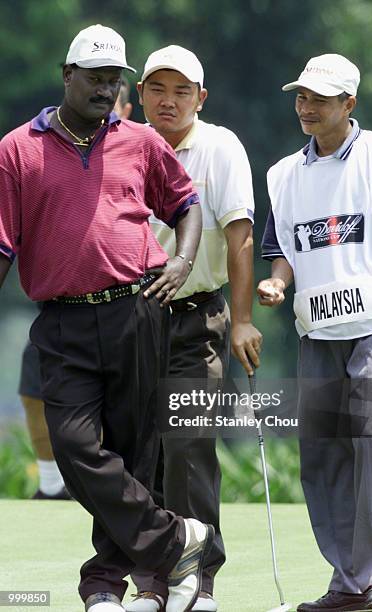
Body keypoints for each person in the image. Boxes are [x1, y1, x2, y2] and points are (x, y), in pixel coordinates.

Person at [0, 24, 215, 612]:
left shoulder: (141, 141)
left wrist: (183, 259)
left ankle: (102, 586)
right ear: (67, 76)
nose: (104, 88)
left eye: (113, 79)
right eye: (94, 77)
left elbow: (186, 204)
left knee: (133, 453)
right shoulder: (18, 148)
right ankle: (180, 540)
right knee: (74, 448)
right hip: (63, 320)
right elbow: (2, 243)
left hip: (137, 309)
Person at [258, 53, 372, 612]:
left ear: (350, 103)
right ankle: (348, 582)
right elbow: (285, 252)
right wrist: (275, 285)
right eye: (301, 96)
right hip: (317, 331)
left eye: (320, 98)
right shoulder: (282, 174)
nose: (306, 107)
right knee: (322, 454)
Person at [126, 45, 262, 612]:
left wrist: (243, 319)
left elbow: (239, 235)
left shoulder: (219, 146)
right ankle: (151, 582)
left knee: (188, 446)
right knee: (142, 453)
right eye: (158, 89)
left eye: (182, 91)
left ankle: (198, 580)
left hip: (199, 318)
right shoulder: (122, 146)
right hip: (133, 319)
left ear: (201, 98)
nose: (169, 100)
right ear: (140, 95)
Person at [18, 78, 133, 502]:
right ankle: (51, 486)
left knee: (114, 421)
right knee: (37, 390)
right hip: (60, 306)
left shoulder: (136, 149)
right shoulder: (47, 148)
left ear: (125, 106)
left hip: (127, 310)